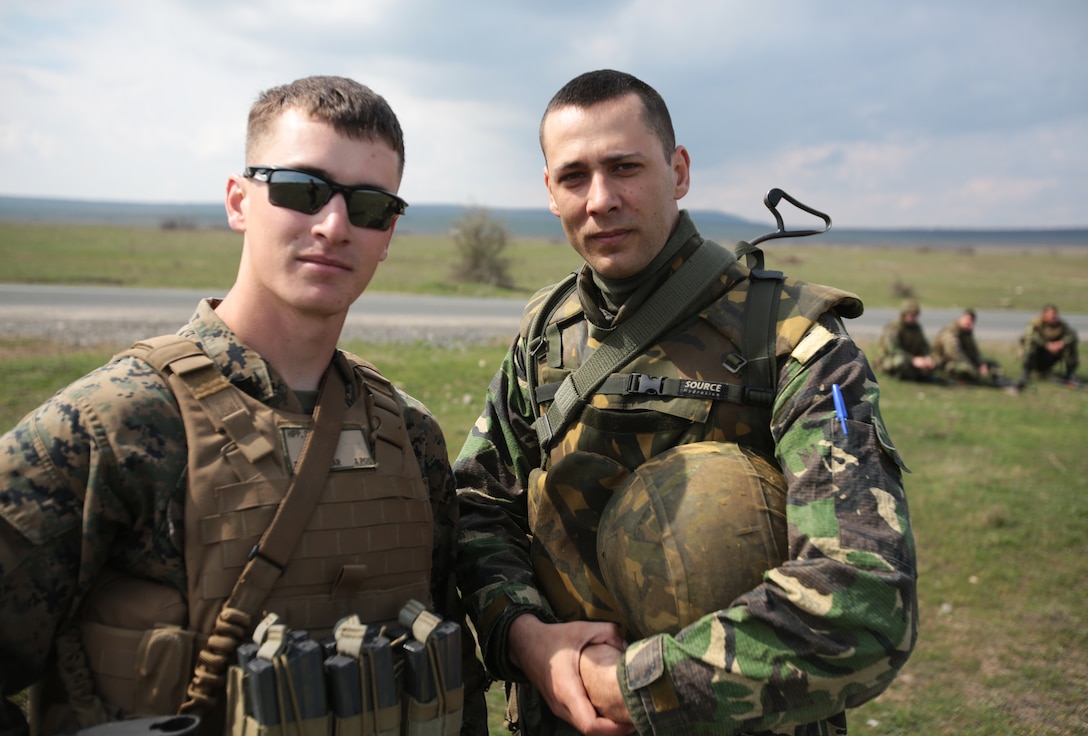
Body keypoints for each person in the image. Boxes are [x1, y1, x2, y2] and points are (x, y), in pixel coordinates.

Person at [0, 76, 484, 735]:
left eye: (369, 206)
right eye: (301, 189)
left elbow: (451, 680)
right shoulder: (116, 425)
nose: (334, 226)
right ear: (238, 201)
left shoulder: (411, 436)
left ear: (389, 231)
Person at [454, 69, 917, 736]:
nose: (601, 200)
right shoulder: (546, 334)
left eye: (625, 167)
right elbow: (477, 505)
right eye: (575, 176)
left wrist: (634, 687)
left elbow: (864, 599)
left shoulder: (788, 339)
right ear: (550, 193)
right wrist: (529, 639)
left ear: (678, 171)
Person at [932, 308, 1012, 388]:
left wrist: (981, 364)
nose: (970, 324)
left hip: (965, 361)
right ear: (961, 318)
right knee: (965, 369)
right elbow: (954, 354)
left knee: (992, 363)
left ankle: (999, 379)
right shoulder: (950, 333)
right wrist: (973, 367)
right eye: (968, 320)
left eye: (972, 322)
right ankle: (985, 380)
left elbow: (974, 351)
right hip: (947, 363)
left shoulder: (967, 333)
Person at [876, 299, 943, 383]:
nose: (914, 318)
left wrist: (926, 358)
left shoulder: (916, 328)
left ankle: (921, 374)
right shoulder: (893, 328)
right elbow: (893, 350)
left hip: (914, 359)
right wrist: (912, 359)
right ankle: (917, 375)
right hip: (893, 359)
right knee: (900, 361)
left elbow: (924, 346)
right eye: (911, 315)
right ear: (904, 315)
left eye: (915, 315)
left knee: (936, 360)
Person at [1018, 304, 1080, 388]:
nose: (1054, 317)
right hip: (1038, 356)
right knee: (1030, 343)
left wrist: (1061, 343)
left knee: (1070, 344)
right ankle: (1026, 373)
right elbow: (1029, 335)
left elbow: (1073, 336)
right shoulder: (1036, 323)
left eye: (1055, 314)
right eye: (1052, 315)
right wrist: (1047, 345)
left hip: (1053, 354)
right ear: (1044, 315)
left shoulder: (1061, 325)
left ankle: (1070, 374)